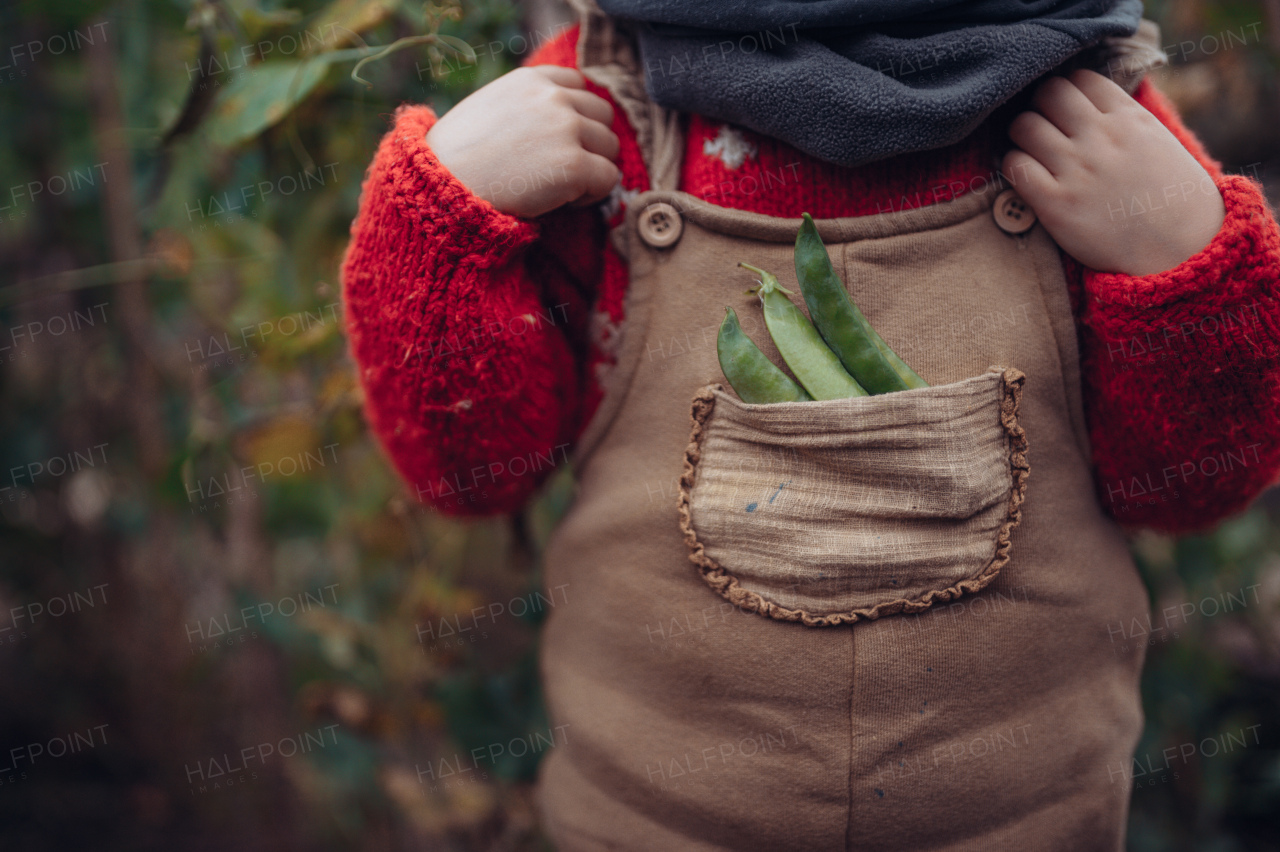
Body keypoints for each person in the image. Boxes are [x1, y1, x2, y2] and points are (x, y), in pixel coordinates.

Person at [340, 0, 1280, 847]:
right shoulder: (600, 110)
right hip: (642, 821)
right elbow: (470, 472)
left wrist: (1184, 265)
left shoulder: (1094, 114)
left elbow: (1199, 486)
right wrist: (439, 220)